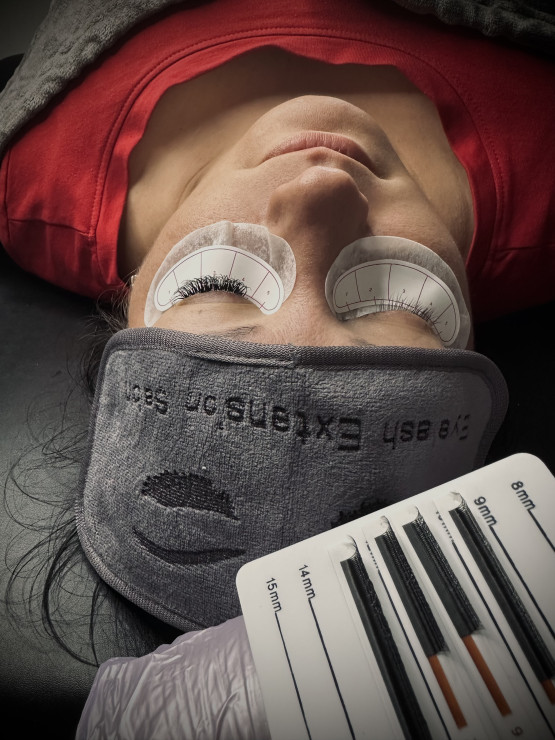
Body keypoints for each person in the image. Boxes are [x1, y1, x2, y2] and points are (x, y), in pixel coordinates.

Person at [0, 0, 554, 737]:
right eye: (397, 300)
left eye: (214, 283)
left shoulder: (27, 174)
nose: (319, 192)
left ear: (126, 302)